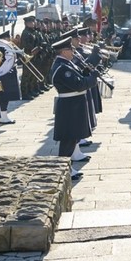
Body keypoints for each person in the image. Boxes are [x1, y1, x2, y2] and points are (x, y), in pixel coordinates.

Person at [50, 36, 98, 180]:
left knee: (72, 138)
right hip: (70, 106)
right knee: (68, 139)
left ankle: (67, 168)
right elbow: (78, 85)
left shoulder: (66, 64)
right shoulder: (62, 67)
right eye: (70, 49)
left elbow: (79, 78)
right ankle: (63, 170)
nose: (73, 51)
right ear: (63, 52)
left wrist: (88, 72)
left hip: (73, 105)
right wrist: (92, 78)